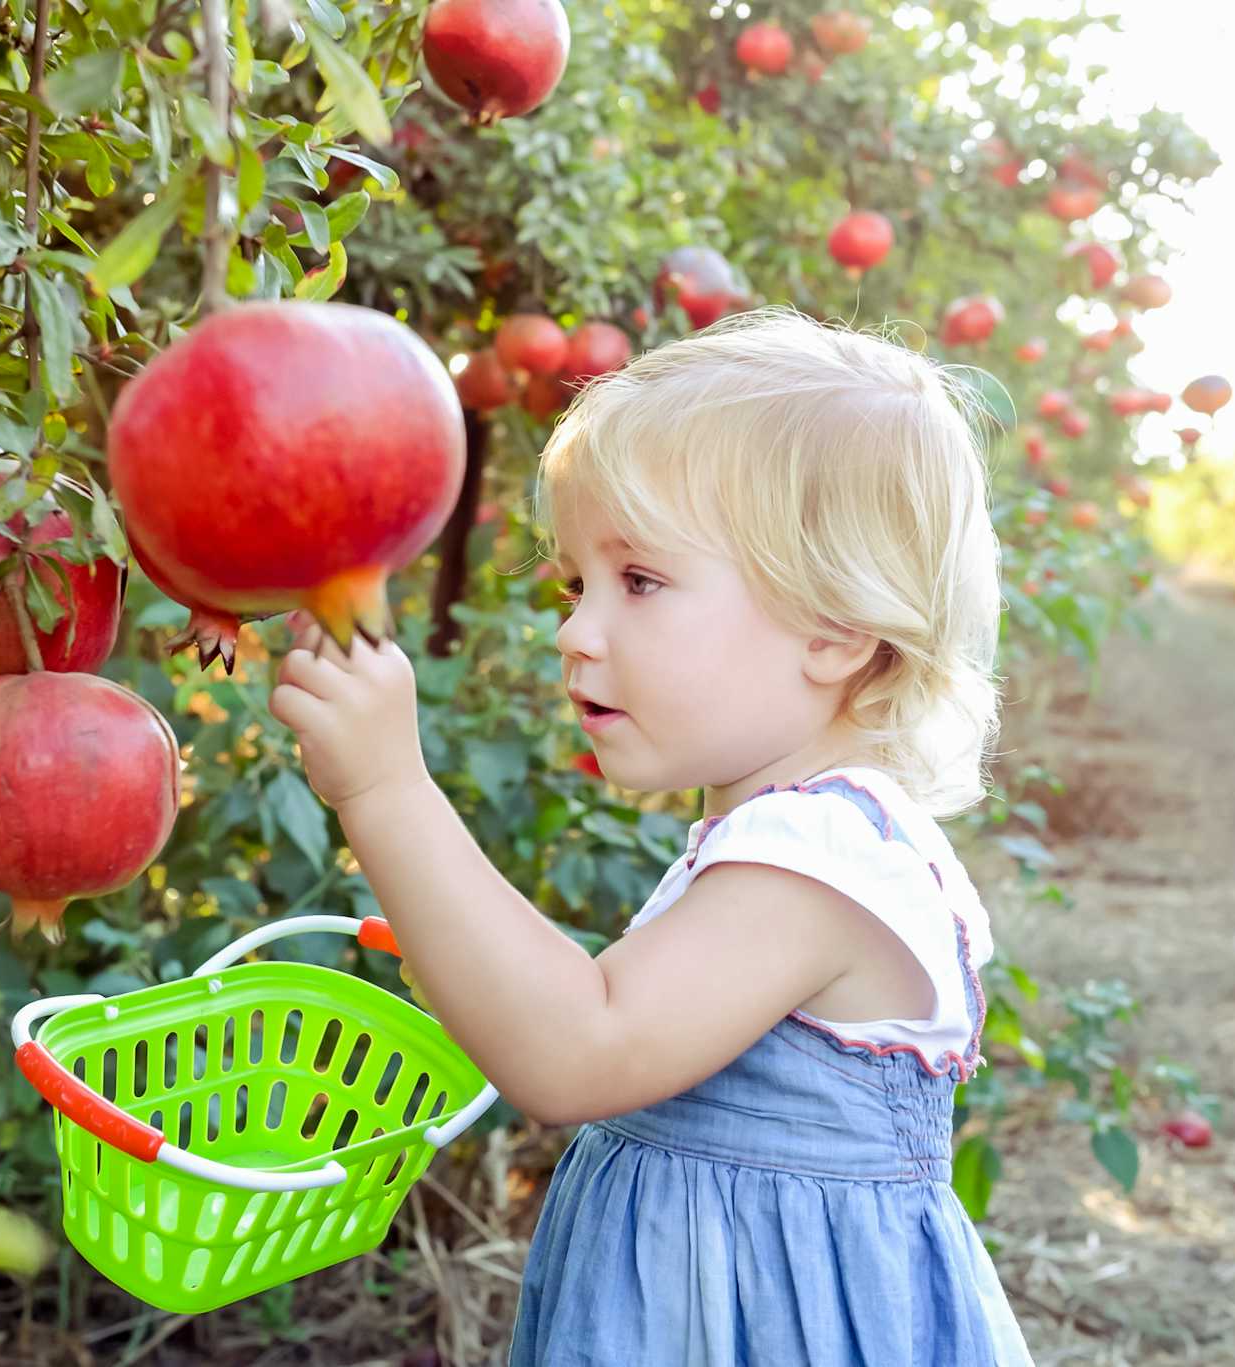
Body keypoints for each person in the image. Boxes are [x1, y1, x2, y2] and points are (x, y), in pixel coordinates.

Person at [267, 306, 1033, 1365]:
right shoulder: (781, 837)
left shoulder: (819, 863)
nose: (575, 630)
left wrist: (387, 789)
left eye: (639, 581)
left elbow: (580, 1046)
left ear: (835, 630)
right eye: (576, 583)